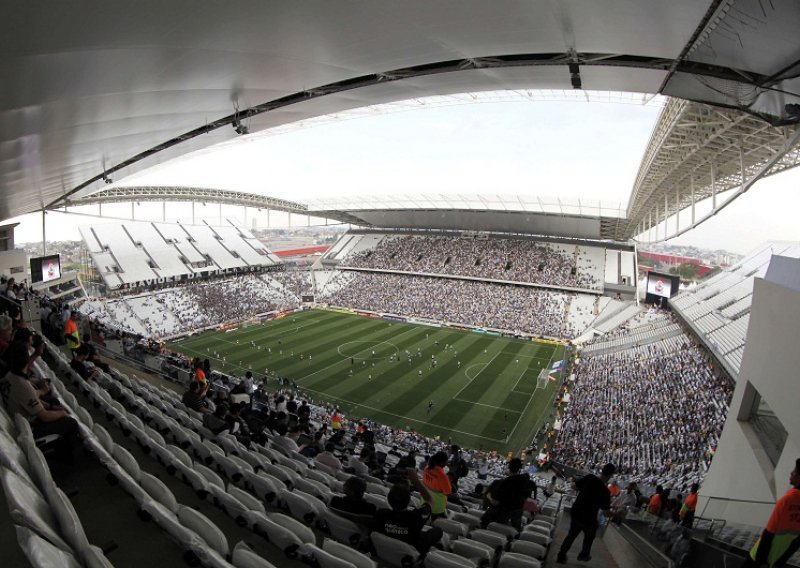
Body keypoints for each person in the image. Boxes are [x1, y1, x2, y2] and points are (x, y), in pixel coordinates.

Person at [0, 342, 80, 463]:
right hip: (30, 427)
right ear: (26, 359)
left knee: (53, 401)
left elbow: (33, 401)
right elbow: (45, 416)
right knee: (71, 423)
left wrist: (52, 406)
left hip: (19, 417)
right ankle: (69, 456)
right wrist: (62, 413)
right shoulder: (23, 385)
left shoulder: (10, 375)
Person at [371, 468, 443, 554]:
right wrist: (416, 480)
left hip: (387, 548)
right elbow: (430, 500)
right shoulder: (415, 516)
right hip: (413, 545)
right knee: (438, 530)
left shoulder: (381, 514)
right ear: (409, 501)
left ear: (389, 499)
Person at [743, 459, 800, 568]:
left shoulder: (786, 501)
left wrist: (761, 562)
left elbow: (768, 534)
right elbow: (796, 543)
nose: (791, 473)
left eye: (795, 471)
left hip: (758, 559)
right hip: (776, 561)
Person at [556, 463, 616, 564]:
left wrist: (580, 486)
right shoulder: (605, 492)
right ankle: (583, 555)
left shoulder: (590, 478)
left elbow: (574, 486)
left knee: (571, 535)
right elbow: (606, 513)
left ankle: (561, 556)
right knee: (590, 536)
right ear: (611, 475)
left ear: (602, 470)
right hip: (588, 518)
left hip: (576, 512)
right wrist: (617, 514)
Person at [481, 457, 536, 529]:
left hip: (502, 517)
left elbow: (495, 502)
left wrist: (488, 495)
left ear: (509, 468)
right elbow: (527, 500)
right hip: (515, 520)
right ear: (519, 469)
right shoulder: (525, 482)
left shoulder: (504, 482)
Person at [422, 451, 452, 519]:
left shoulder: (427, 468)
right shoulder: (443, 476)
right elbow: (448, 493)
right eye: (446, 461)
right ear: (442, 462)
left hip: (425, 501)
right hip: (437, 507)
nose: (447, 463)